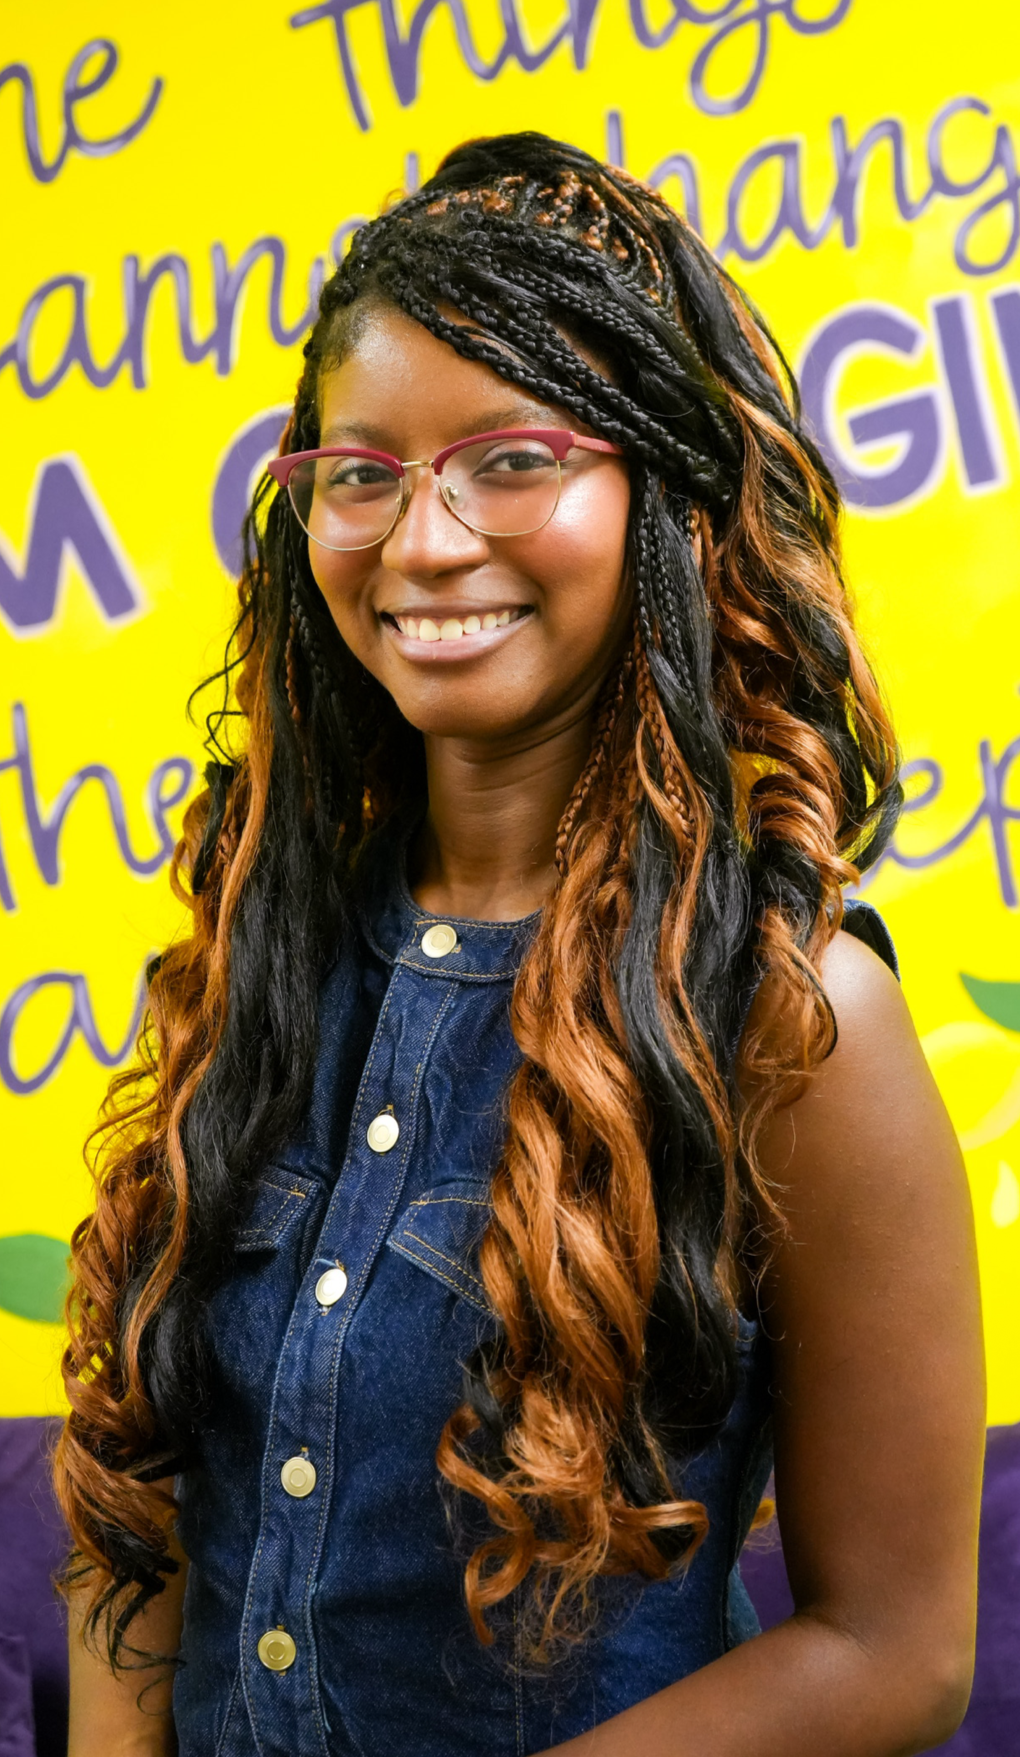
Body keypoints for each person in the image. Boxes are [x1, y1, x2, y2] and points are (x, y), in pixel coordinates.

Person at [58, 132, 984, 1757]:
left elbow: (896, 1650)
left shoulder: (788, 1018)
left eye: (509, 459)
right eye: (362, 473)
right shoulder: (252, 968)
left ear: (663, 495)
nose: (422, 543)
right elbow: (136, 1492)